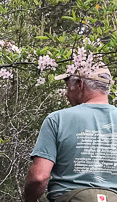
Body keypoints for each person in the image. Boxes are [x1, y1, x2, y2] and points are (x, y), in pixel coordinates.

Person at [23, 64, 117, 202]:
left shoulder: (57, 119)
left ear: (80, 84)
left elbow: (39, 177)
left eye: (68, 87)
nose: (67, 93)